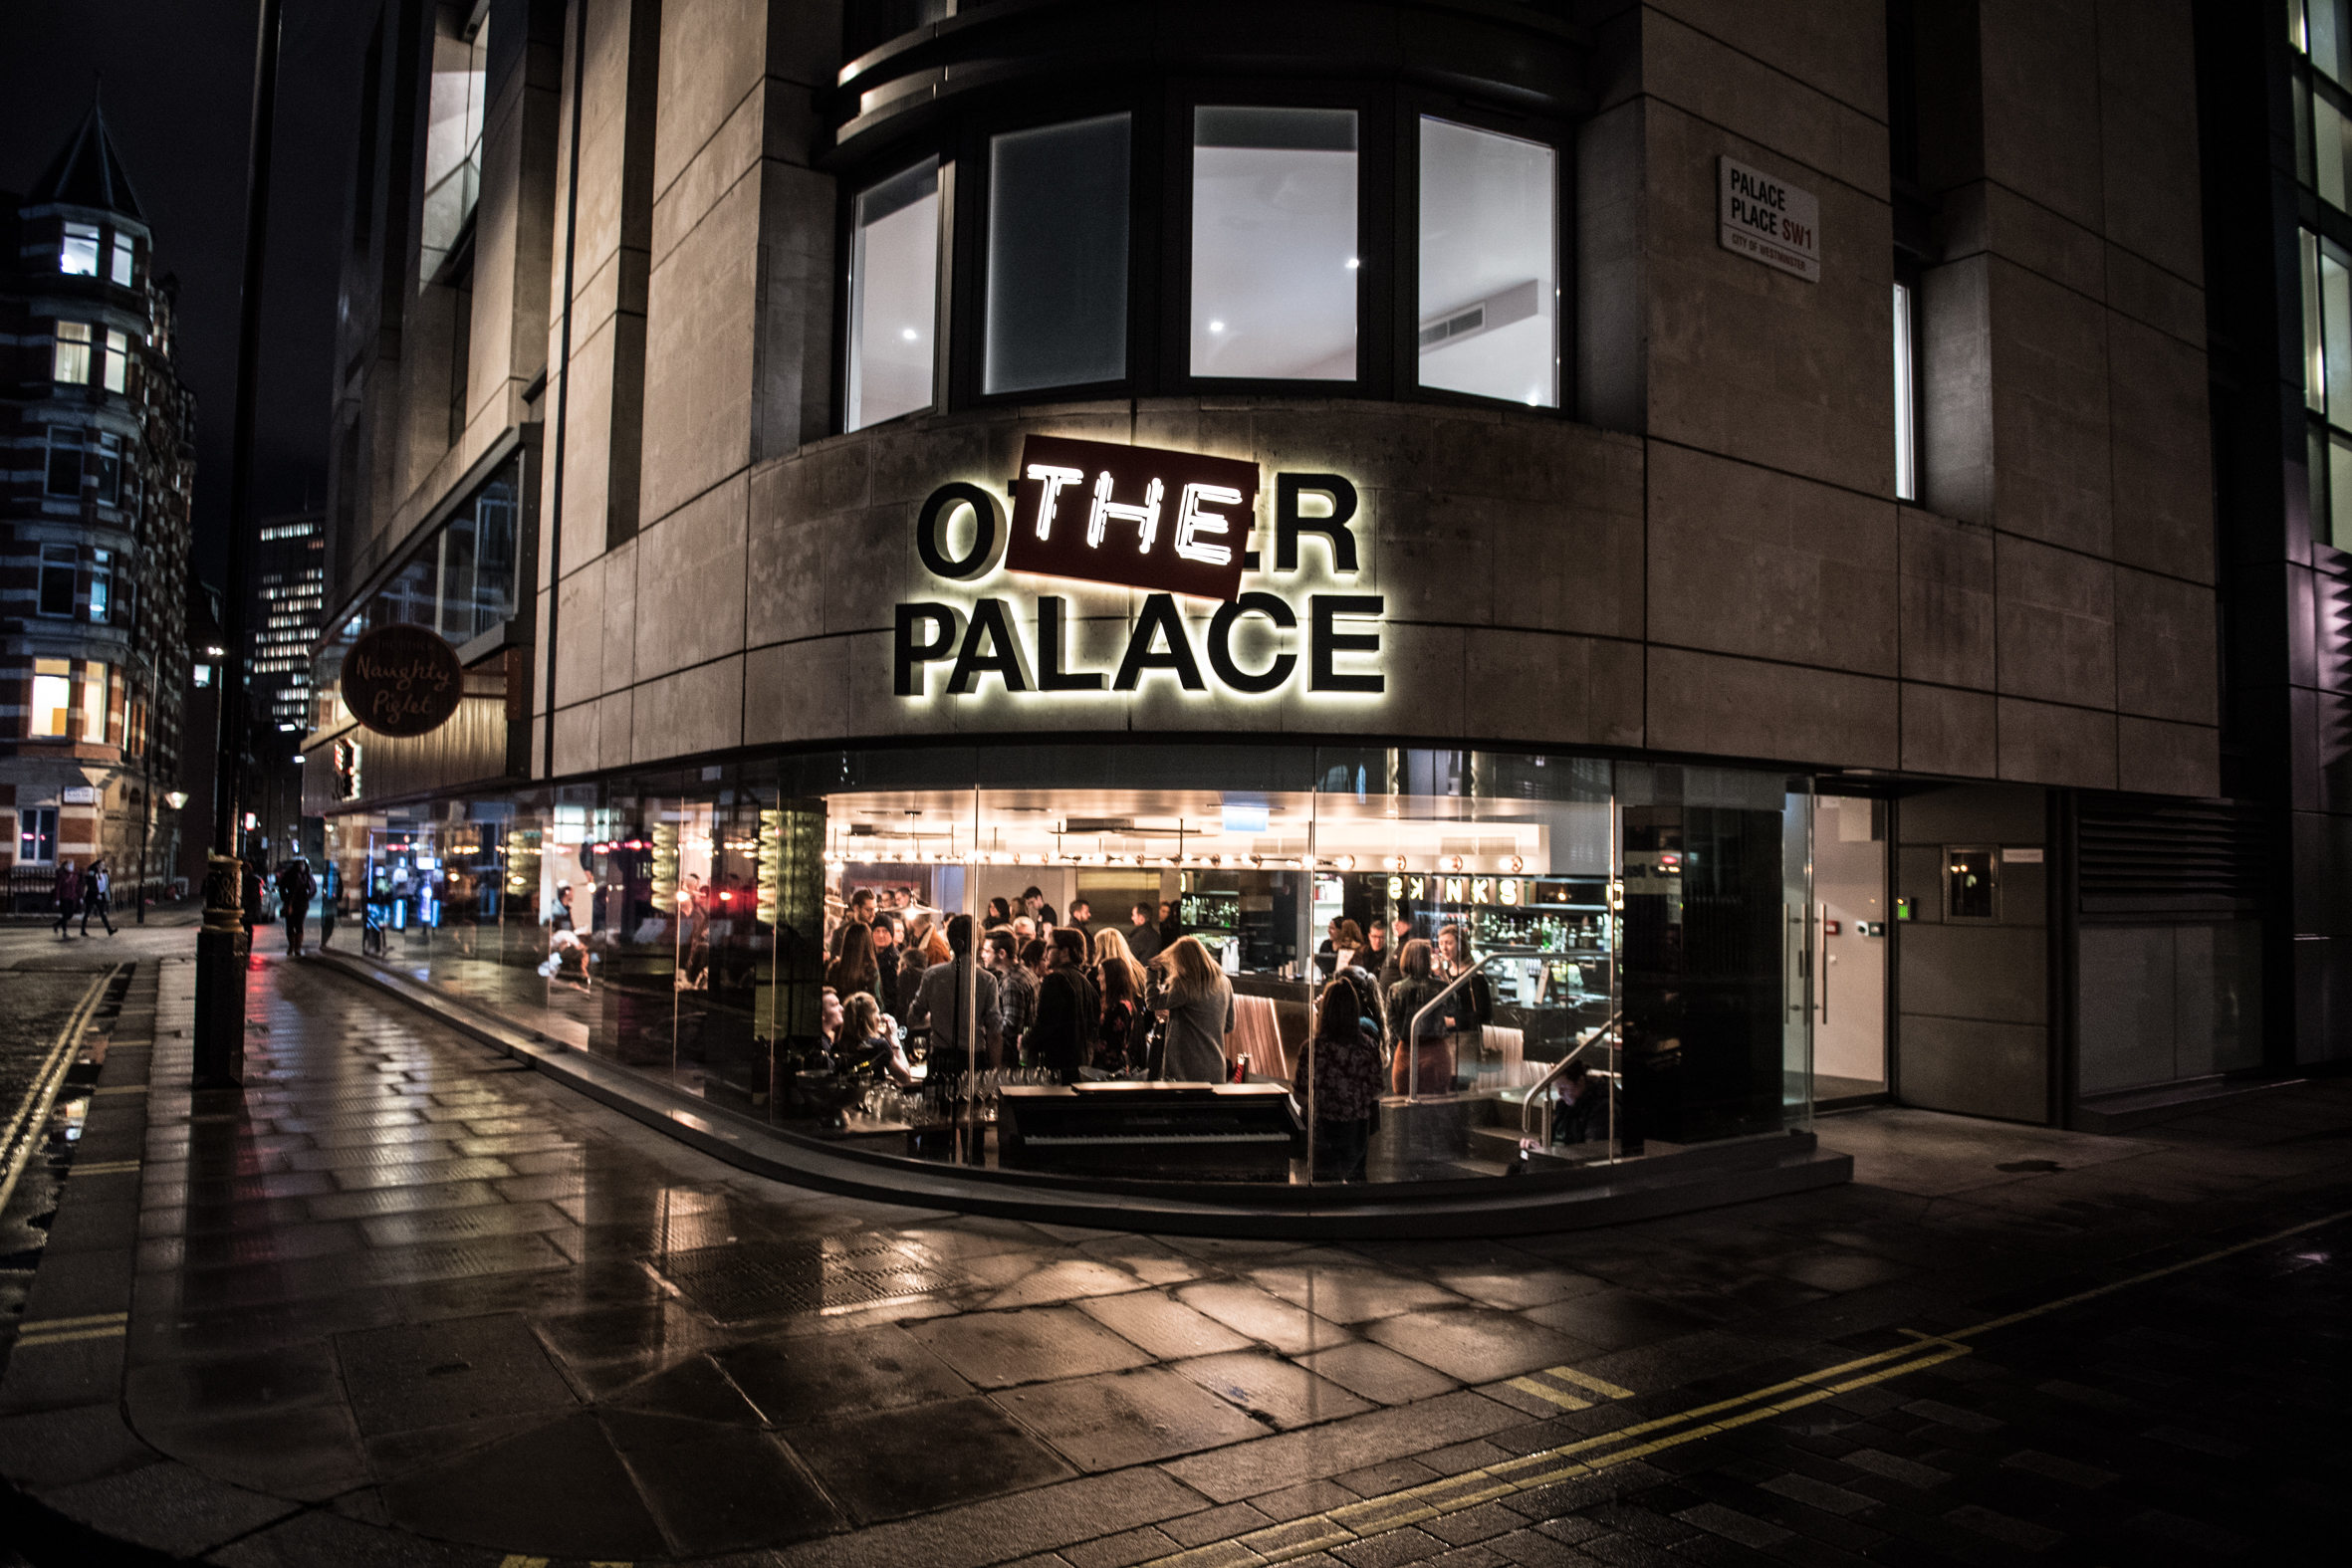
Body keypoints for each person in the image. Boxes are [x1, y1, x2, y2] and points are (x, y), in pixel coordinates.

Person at [908, 914, 1001, 1104]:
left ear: (950, 941)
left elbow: (913, 1019)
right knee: (974, 1124)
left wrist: (938, 1017)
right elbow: (994, 1032)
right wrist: (995, 1075)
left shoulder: (932, 975)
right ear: (975, 942)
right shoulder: (987, 980)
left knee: (936, 1121)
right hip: (974, 1060)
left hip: (941, 1059)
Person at [1300, 975, 1383, 1182]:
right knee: (1356, 1183)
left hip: (1322, 1130)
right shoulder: (1368, 1046)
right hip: (1357, 1130)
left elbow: (1300, 1096)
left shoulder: (1312, 1048)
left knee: (1324, 1188)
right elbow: (1378, 1090)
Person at [1146, 935, 1235, 1083]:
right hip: (1216, 1068)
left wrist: (1152, 972)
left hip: (1185, 1070)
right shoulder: (1225, 982)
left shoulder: (1185, 983)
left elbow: (1153, 1002)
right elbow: (1228, 1025)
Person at [1029, 929, 1100, 1083]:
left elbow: (1046, 1024)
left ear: (1065, 951)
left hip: (1057, 1070)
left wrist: (1027, 1040)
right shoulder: (1089, 986)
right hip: (1081, 1070)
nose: (1044, 954)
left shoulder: (1056, 979)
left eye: (1049, 948)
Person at [1387, 939, 1453, 1095]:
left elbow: (1391, 1024)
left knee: (1404, 1104)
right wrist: (1443, 974)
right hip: (1437, 1050)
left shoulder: (1395, 989)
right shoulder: (1440, 988)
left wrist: (1403, 1036)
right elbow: (1455, 1007)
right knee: (1437, 1107)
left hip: (1406, 1052)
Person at [1436, 923, 1494, 1064]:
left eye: (1448, 943)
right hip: (1447, 1040)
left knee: (1461, 1084)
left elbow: (1485, 1013)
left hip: (1467, 1040)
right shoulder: (1446, 974)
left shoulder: (1475, 975)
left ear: (1460, 945)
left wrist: (1455, 1021)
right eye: (1441, 943)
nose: (1444, 948)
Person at [1092, 927, 1147, 1071]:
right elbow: (1149, 1010)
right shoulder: (1139, 971)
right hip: (1137, 1036)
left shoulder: (1096, 975)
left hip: (1108, 1049)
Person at [835, 992, 914, 1085]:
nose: (880, 1017)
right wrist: (894, 1041)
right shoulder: (879, 1047)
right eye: (878, 1012)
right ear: (870, 1018)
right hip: (872, 1098)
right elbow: (905, 1079)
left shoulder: (837, 1046)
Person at [984, 930, 1037, 1067]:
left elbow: (1011, 1027)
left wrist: (985, 1027)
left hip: (1014, 1059)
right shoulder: (1026, 972)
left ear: (1002, 954)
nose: (983, 955)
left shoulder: (1012, 982)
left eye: (987, 951)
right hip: (1028, 1053)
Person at [824, 921, 884, 1015]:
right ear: (867, 943)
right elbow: (878, 1004)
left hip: (839, 1019)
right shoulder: (871, 971)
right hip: (862, 1022)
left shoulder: (834, 968)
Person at [275, 856, 318, 956]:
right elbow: (282, 888)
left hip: (300, 904)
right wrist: (286, 899)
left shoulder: (306, 875)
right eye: (299, 864)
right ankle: (293, 946)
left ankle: (296, 947)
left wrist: (307, 897)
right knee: (291, 925)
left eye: (302, 864)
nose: (301, 866)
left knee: (298, 925)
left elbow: (313, 889)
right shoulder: (293, 875)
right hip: (292, 903)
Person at [80, 857, 117, 937]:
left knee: (102, 914)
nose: (103, 866)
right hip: (92, 896)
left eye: (104, 865)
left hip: (101, 896)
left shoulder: (104, 875)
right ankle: (82, 930)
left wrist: (108, 897)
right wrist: (97, 894)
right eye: (102, 865)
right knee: (87, 913)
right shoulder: (92, 874)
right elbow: (91, 886)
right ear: (97, 866)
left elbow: (106, 887)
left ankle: (109, 930)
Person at [51, 859, 81, 941]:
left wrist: (80, 896)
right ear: (66, 866)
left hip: (71, 897)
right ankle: (64, 932)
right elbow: (58, 887)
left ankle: (56, 924)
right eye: (70, 865)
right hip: (63, 897)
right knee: (65, 914)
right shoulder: (62, 875)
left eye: (72, 865)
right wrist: (57, 899)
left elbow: (76, 886)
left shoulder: (75, 875)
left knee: (70, 915)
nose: (72, 867)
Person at [318, 858, 343, 951]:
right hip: (328, 902)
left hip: (330, 902)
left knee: (328, 924)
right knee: (327, 924)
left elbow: (339, 887)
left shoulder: (333, 874)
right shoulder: (328, 874)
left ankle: (324, 942)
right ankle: (323, 942)